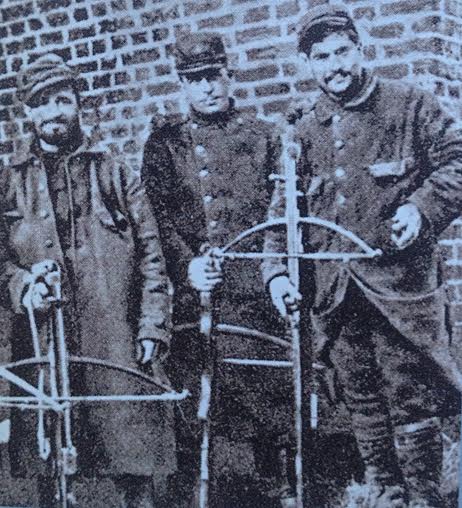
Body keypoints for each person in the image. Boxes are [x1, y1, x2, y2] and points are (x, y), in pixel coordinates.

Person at [263, 5, 462, 507]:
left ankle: (425, 500)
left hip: (401, 295)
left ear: (360, 49)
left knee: (412, 405)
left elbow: (459, 161)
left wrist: (422, 208)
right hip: (336, 297)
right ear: (308, 63)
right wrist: (278, 276)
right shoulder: (303, 130)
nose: (335, 66)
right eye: (322, 57)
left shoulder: (408, 106)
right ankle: (387, 496)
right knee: (363, 407)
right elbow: (284, 212)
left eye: (343, 52)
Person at [0, 53, 175, 507]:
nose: (54, 112)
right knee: (50, 461)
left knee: (131, 459)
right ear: (28, 112)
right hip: (43, 344)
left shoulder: (114, 172)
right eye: (42, 103)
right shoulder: (8, 182)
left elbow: (152, 256)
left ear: (79, 104)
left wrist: (153, 324)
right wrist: (22, 286)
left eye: (63, 100)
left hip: (112, 338)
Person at [142, 32, 294, 507]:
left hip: (253, 307)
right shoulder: (164, 145)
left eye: (213, 77)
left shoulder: (264, 137)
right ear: (181, 85)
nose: (206, 88)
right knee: (200, 422)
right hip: (195, 308)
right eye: (194, 80)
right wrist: (187, 265)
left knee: (263, 425)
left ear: (229, 76)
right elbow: (157, 218)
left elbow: (279, 218)